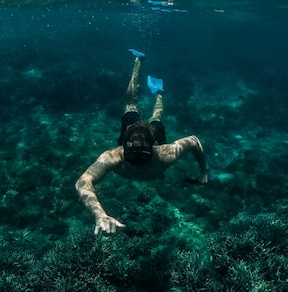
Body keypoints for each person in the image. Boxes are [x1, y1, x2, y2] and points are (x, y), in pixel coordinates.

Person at [75, 49, 209, 234]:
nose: (137, 160)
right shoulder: (113, 157)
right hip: (134, 135)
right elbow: (83, 181)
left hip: (151, 138)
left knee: (156, 116)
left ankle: (159, 92)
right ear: (123, 146)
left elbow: (194, 140)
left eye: (142, 154)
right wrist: (100, 214)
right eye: (133, 153)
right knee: (131, 102)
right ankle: (138, 62)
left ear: (153, 148)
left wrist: (204, 170)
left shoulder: (164, 153)